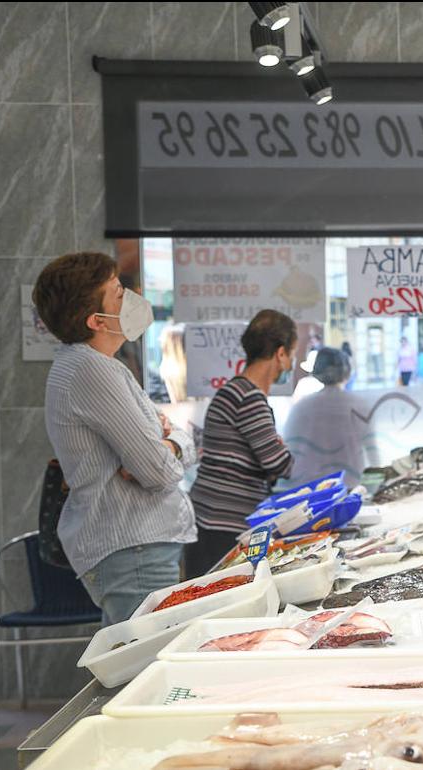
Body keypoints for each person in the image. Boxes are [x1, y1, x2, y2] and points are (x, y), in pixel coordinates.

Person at [35, 252, 196, 625]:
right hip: (135, 547)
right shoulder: (92, 371)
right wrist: (171, 445)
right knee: (140, 666)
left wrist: (171, 443)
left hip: (136, 546)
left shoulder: (96, 366)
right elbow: (157, 471)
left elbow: (166, 444)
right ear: (96, 320)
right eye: (118, 292)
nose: (132, 297)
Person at [186, 310, 296, 576]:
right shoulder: (249, 398)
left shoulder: (232, 390)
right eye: (292, 354)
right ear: (280, 354)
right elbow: (280, 464)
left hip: (208, 520)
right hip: (223, 528)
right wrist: (280, 450)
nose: (291, 363)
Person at [283, 348, 377, 487]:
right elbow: (372, 452)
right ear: (347, 372)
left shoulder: (302, 407)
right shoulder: (359, 405)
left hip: (309, 489)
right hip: (349, 485)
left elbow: (290, 451)